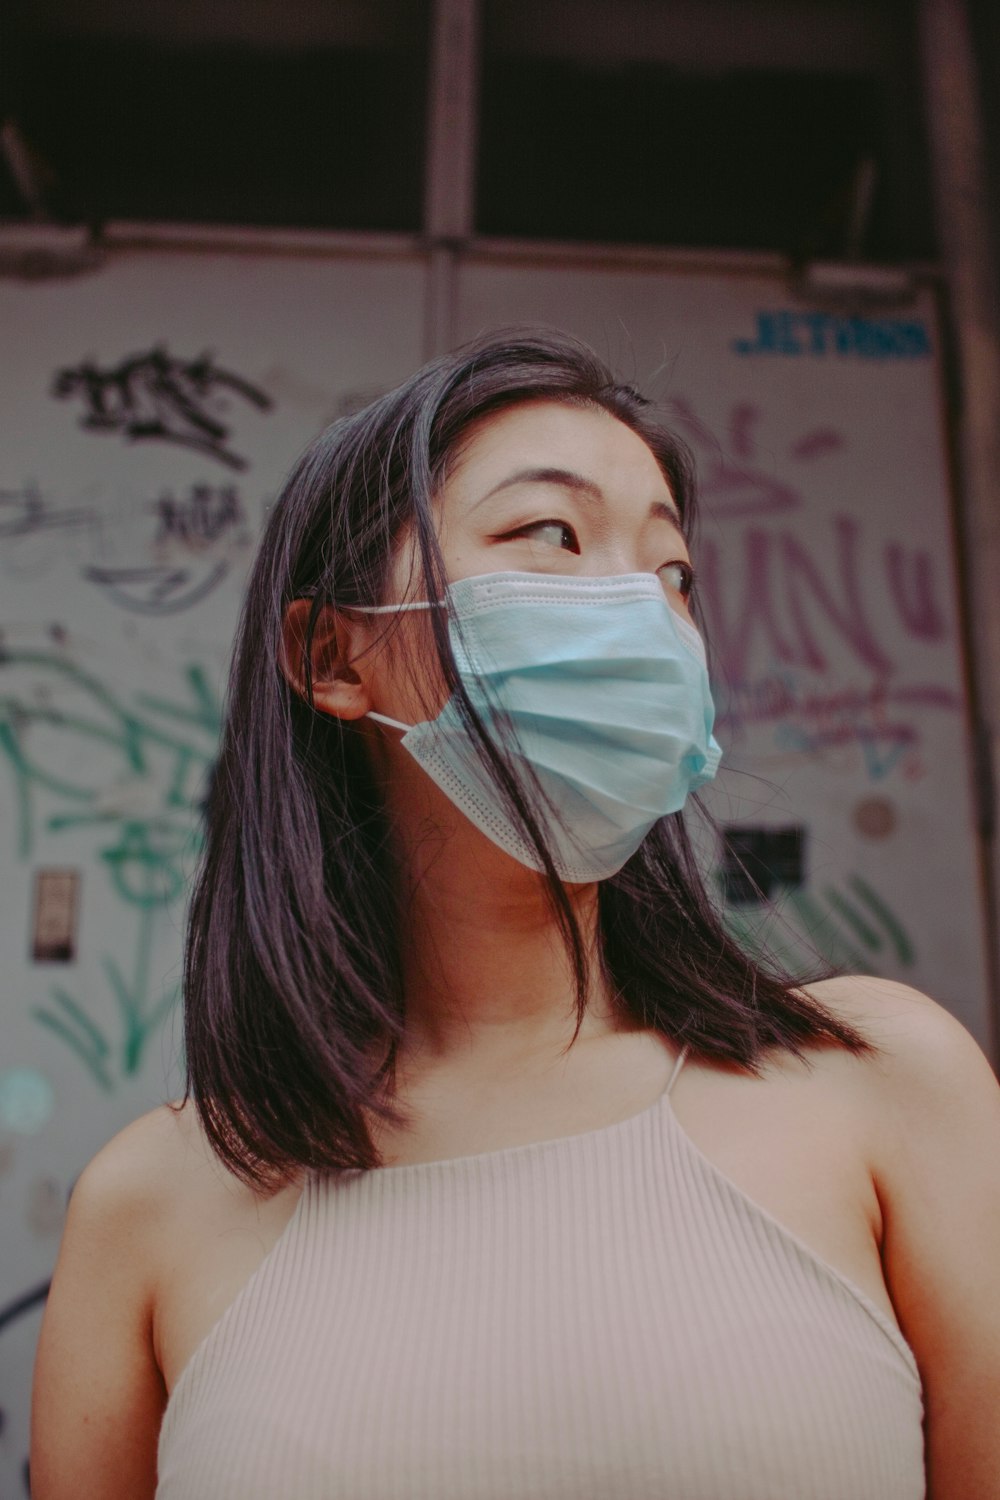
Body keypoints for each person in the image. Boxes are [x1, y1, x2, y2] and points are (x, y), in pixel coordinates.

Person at [31, 330, 1000, 1499]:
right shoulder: (154, 1199)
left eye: (671, 572)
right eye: (551, 535)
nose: (639, 614)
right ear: (330, 653)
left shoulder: (884, 1080)